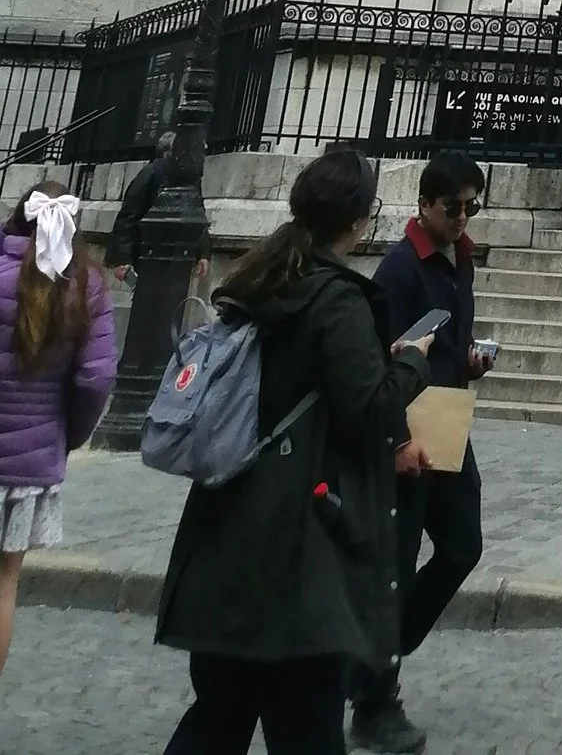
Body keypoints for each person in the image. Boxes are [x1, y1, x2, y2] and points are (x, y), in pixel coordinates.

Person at [155, 143, 433, 755]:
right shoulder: (336, 298)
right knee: (303, 718)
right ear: (359, 220)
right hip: (298, 548)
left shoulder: (260, 275)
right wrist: (412, 365)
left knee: (221, 712)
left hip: (229, 526)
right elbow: (368, 408)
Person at [0, 180, 116, 752]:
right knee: (2, 588)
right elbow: (97, 377)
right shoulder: (88, 287)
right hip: (34, 459)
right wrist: (67, 436)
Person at [350, 150, 495, 755]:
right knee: (397, 559)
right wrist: (397, 440)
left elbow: (439, 345)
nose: (464, 217)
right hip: (407, 431)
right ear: (423, 206)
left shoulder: (458, 260)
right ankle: (374, 699)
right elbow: (381, 361)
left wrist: (468, 360)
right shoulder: (398, 270)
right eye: (453, 207)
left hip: (448, 423)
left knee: (464, 544)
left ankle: (375, 648)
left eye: (472, 206)